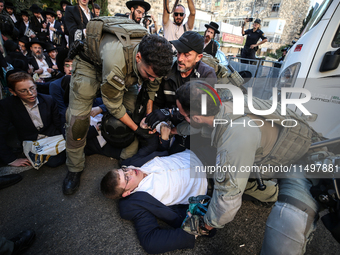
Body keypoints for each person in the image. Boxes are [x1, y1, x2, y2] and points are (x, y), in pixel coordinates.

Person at [175, 80, 322, 254]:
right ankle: (270, 192)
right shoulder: (225, 104)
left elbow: (227, 201)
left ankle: (275, 194)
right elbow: (202, 127)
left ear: (197, 117)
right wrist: (175, 130)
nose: (180, 115)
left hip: (303, 161)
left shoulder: (235, 138)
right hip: (284, 146)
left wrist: (206, 224)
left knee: (287, 227)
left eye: (183, 114)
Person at [62, 18, 173, 196]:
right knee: (78, 121)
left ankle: (125, 157)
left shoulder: (156, 60)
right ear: (139, 57)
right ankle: (74, 168)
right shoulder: (117, 60)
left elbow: (153, 83)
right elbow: (112, 105)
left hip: (128, 70)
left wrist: (149, 113)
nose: (152, 79)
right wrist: (138, 129)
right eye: (148, 74)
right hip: (90, 65)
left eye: (155, 76)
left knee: (129, 115)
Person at [101, 149, 207, 254]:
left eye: (124, 170)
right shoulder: (137, 203)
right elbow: (150, 242)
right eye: (127, 178)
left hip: (193, 152)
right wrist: (193, 230)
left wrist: (165, 141)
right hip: (207, 179)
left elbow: (150, 145)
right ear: (127, 193)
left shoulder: (131, 164)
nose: (130, 171)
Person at [0, 72, 65, 167]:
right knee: (52, 162)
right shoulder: (7, 105)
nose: (31, 93)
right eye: (23, 91)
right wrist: (11, 160)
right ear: (12, 92)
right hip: (31, 140)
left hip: (52, 137)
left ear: (35, 85)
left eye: (32, 88)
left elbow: (59, 123)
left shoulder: (48, 100)